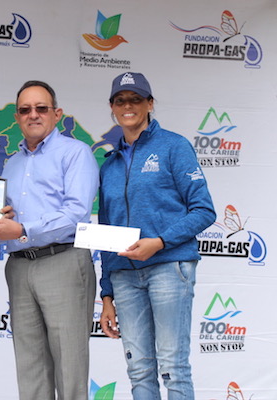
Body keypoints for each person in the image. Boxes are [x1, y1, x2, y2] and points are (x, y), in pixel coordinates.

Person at [0, 81, 99, 400]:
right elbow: (1, 218)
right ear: (16, 118)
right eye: (25, 110)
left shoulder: (75, 153)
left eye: (41, 108)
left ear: (56, 114)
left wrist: (21, 229)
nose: (33, 115)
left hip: (63, 262)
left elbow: (76, 213)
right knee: (30, 369)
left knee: (70, 370)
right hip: (19, 268)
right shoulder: (12, 164)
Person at [98, 72, 216, 399]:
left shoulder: (173, 147)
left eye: (136, 99)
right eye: (120, 101)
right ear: (112, 108)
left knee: (172, 367)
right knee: (139, 370)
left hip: (168, 267)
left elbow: (204, 211)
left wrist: (159, 242)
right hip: (124, 276)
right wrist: (106, 294)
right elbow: (107, 233)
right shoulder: (109, 165)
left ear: (149, 104)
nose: (128, 106)